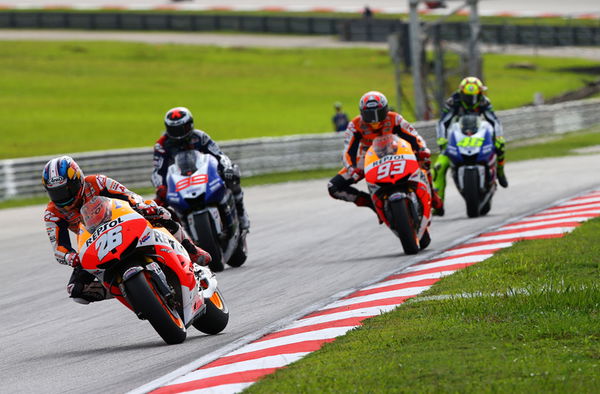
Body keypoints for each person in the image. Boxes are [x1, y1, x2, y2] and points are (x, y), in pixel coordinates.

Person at [42, 156, 211, 304]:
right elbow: (58, 248)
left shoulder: (97, 182)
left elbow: (128, 195)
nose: (63, 197)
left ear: (77, 180)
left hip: (123, 222)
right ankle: (126, 291)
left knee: (161, 212)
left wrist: (141, 206)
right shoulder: (52, 213)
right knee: (76, 290)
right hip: (95, 243)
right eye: (56, 193)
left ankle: (191, 250)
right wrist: (70, 256)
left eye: (66, 190)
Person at [327, 91, 443, 220]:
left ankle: (432, 194)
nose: (374, 120)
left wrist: (422, 150)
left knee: (424, 161)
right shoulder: (354, 125)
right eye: (369, 114)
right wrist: (352, 168)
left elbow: (414, 136)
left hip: (397, 151)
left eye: (379, 113)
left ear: (385, 110)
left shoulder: (395, 118)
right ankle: (372, 203)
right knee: (333, 187)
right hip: (367, 158)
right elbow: (348, 151)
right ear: (362, 113)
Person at [152, 107, 250, 231]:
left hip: (204, 174)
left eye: (182, 128)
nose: (179, 133)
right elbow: (157, 171)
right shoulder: (161, 145)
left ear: (190, 125)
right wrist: (161, 187)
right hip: (180, 181)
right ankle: (180, 237)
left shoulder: (200, 137)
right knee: (158, 206)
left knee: (233, 175)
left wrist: (227, 168)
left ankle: (241, 214)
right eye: (174, 129)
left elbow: (219, 155)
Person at [432, 76, 508, 216]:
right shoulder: (453, 101)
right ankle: (438, 204)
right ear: (462, 94)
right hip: (459, 136)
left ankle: (501, 172)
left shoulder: (484, 102)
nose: (472, 100)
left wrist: (498, 137)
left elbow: (495, 121)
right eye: (468, 97)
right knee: (439, 167)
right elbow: (442, 122)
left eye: (475, 96)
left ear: (479, 93)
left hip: (480, 134)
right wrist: (441, 139)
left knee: (500, 146)